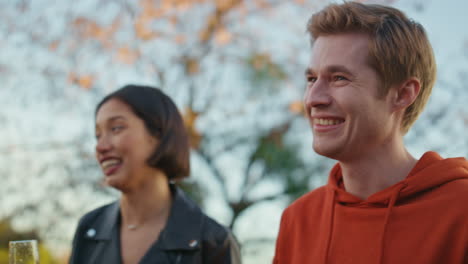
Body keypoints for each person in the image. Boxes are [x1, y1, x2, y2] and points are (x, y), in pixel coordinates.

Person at [273, 2, 468, 264]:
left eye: (339, 78)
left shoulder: (461, 211)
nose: (313, 98)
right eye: (311, 79)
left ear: (402, 94)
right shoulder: (297, 220)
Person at [69, 84, 241, 264]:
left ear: (159, 134)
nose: (100, 147)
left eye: (116, 128)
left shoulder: (213, 241)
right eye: (97, 135)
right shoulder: (89, 229)